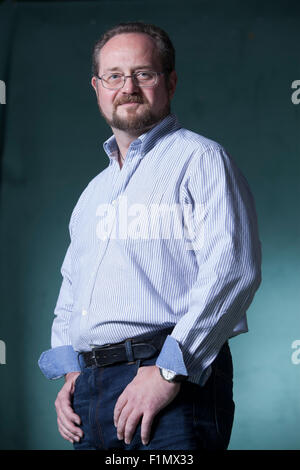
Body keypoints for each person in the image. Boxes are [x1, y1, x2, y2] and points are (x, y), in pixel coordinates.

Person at [38, 22, 261, 451]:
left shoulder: (202, 160)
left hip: (170, 379)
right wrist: (71, 372)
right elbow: (72, 286)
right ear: (97, 87)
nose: (128, 87)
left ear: (171, 82)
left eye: (145, 73)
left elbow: (234, 271)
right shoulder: (93, 193)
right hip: (91, 392)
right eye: (114, 76)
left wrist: (167, 370)